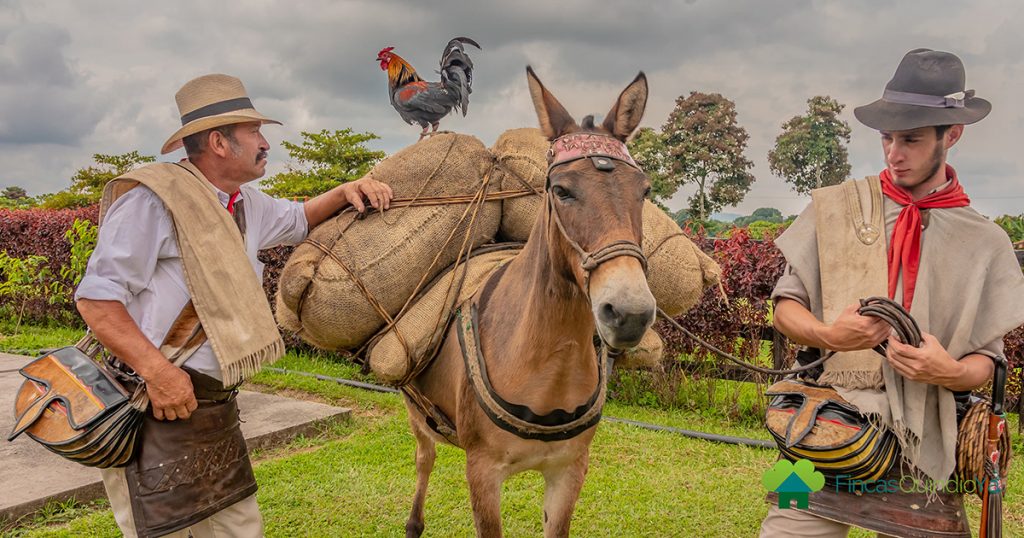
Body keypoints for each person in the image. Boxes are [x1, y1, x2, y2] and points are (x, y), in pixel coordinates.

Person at [75, 73, 393, 537]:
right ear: (220, 143)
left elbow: (301, 218)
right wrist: (160, 375)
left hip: (213, 413)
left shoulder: (245, 204)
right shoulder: (152, 200)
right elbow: (97, 300)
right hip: (156, 408)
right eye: (255, 133)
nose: (265, 143)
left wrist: (348, 189)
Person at [759, 49, 1024, 537]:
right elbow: (784, 308)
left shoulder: (984, 243)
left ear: (954, 134)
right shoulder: (838, 210)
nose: (893, 153)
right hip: (823, 424)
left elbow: (989, 360)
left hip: (927, 449)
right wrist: (827, 333)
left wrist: (951, 371)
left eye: (911, 139)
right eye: (886, 138)